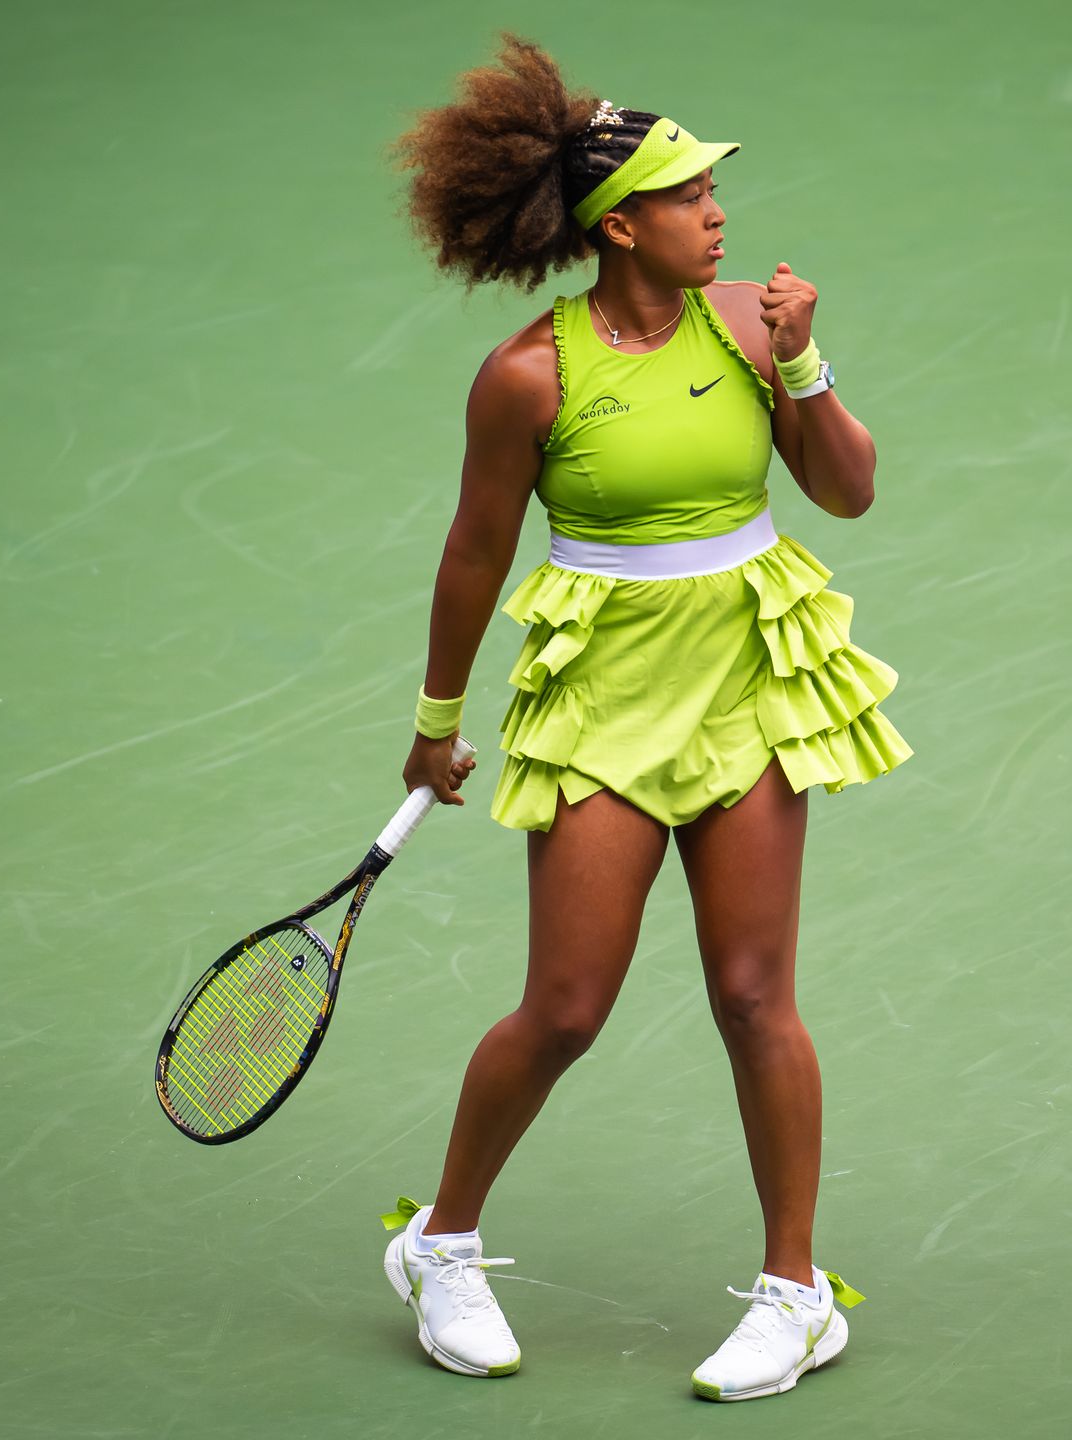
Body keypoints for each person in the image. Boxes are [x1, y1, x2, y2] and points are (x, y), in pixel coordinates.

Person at [379, 34, 912, 1401]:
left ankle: (798, 1294)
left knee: (753, 994)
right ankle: (440, 1242)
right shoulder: (528, 378)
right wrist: (437, 721)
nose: (718, 212)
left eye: (712, 193)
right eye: (692, 195)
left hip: (746, 680)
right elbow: (471, 555)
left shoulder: (750, 327)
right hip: (607, 702)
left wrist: (802, 364)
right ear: (624, 226)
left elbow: (846, 492)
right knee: (563, 1007)